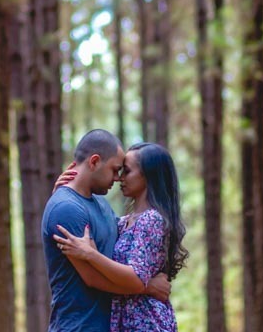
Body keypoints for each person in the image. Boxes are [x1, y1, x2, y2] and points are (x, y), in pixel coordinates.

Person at [42, 130, 171, 331]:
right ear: (94, 162)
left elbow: (132, 249)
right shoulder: (66, 207)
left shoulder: (103, 207)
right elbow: (91, 277)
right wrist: (148, 286)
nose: (118, 178)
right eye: (115, 170)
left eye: (124, 171)